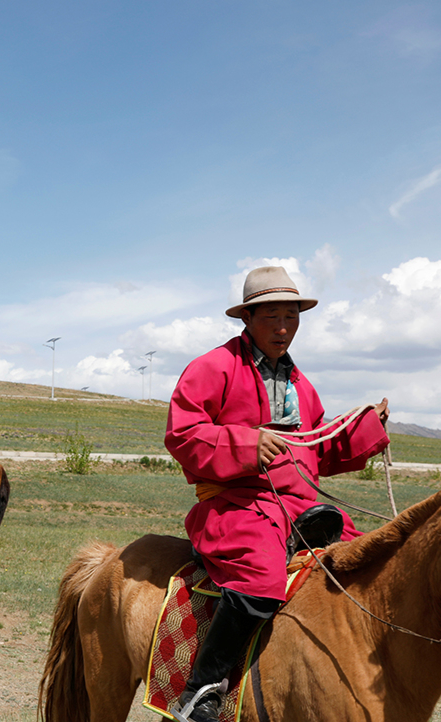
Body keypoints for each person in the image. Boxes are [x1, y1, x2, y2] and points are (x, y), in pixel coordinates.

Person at [163, 266, 390, 722]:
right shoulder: (214, 367)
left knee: (373, 558)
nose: (283, 327)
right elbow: (183, 434)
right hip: (238, 506)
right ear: (247, 318)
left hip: (300, 508)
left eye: (292, 316)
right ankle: (201, 691)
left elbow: (316, 451)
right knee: (262, 578)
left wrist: (366, 428)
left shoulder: (301, 384)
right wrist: (246, 444)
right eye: (272, 317)